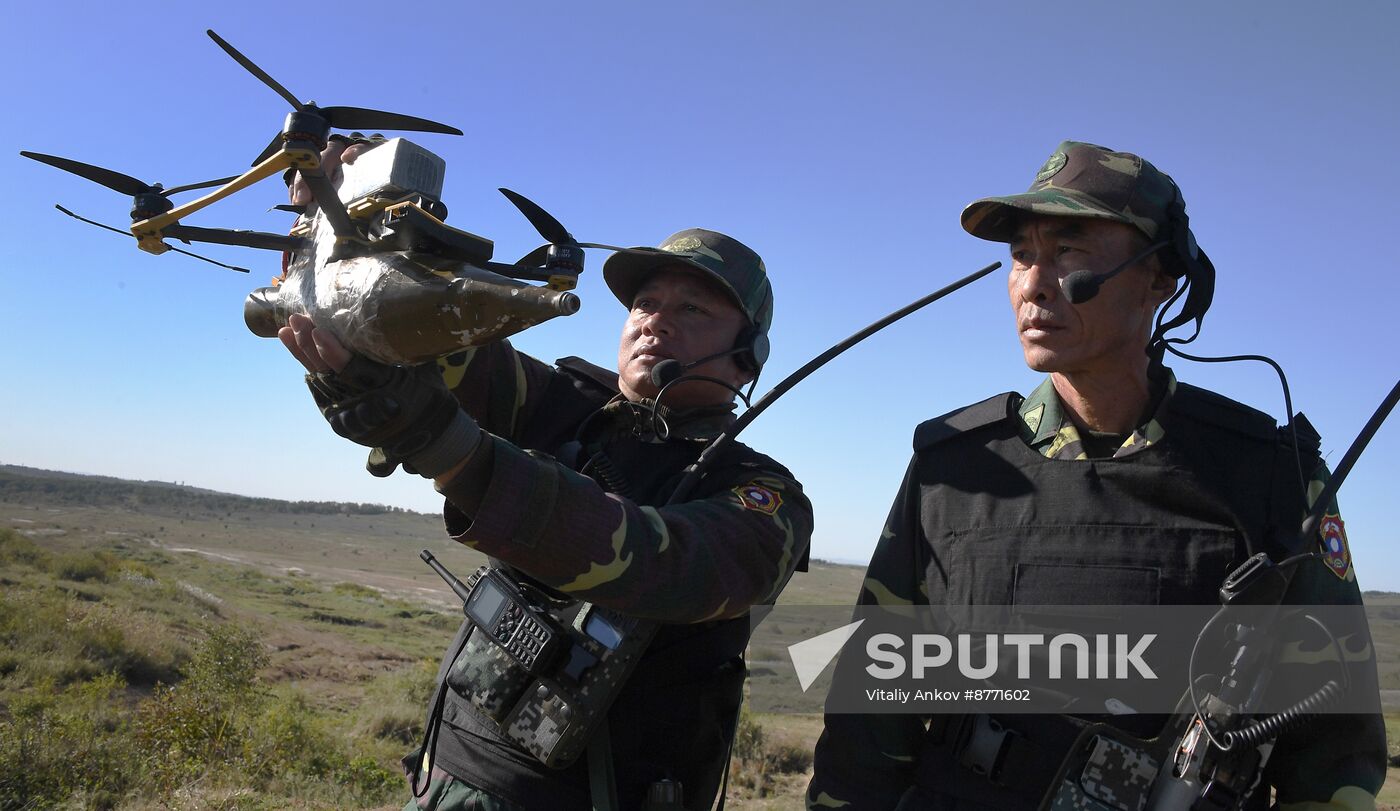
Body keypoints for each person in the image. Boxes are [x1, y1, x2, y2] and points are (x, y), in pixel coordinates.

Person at [805, 141, 1384, 811]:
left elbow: (1335, 750)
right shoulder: (955, 469)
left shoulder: (1272, 476)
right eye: (1021, 254)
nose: (1032, 283)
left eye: (1069, 251)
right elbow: (869, 724)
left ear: (1160, 277)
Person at [280, 147, 813, 810]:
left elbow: (667, 564)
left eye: (694, 309)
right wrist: (345, 232)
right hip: (448, 780)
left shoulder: (762, 493)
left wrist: (452, 453)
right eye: (644, 302)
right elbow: (436, 343)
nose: (656, 319)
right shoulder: (558, 401)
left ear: (746, 356)